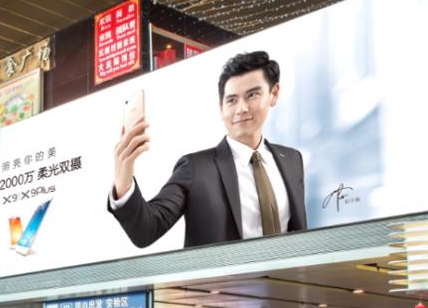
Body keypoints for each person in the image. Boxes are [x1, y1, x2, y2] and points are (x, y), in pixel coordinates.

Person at [108, 51, 307, 249]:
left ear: (273, 94)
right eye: (232, 100)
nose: (241, 108)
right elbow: (147, 230)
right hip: (226, 272)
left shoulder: (292, 160)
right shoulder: (195, 168)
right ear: (221, 107)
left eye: (252, 95)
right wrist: (123, 183)